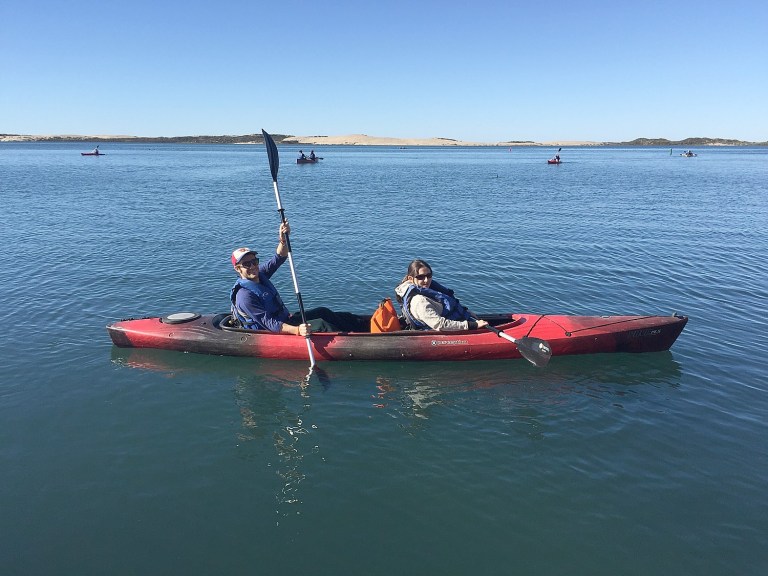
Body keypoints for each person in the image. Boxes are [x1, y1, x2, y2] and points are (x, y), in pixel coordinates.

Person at [230, 221, 366, 335]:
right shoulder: (244, 296)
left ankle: (365, 327)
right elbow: (270, 324)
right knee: (322, 324)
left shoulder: (260, 274)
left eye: (255, 261)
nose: (253, 266)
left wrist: (283, 239)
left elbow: (279, 257)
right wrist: (297, 330)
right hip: (273, 331)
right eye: (247, 264)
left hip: (286, 320)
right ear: (238, 268)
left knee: (324, 312)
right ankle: (353, 341)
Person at [394, 259, 488, 331]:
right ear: (411, 278)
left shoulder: (426, 289)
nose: (426, 280)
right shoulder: (419, 301)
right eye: (421, 277)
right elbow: (439, 325)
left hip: (454, 321)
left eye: (429, 275)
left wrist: (467, 312)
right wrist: (473, 325)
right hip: (437, 332)